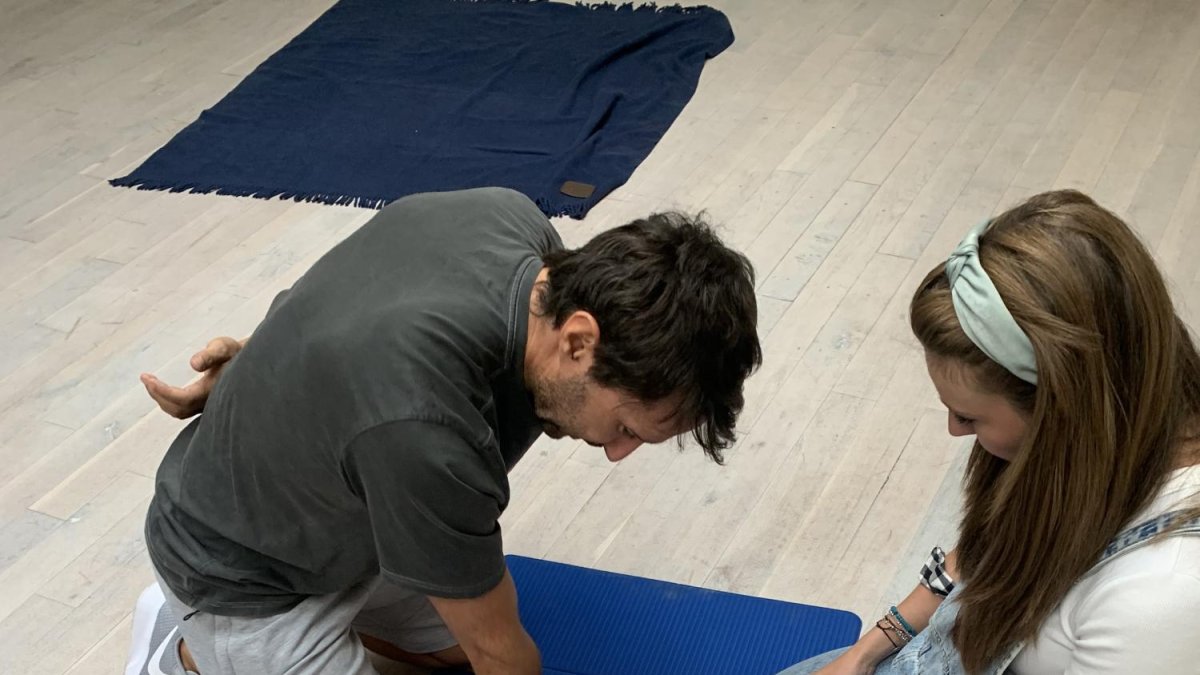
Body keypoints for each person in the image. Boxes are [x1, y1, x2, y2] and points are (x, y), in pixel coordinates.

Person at [126, 187, 762, 675]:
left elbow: (338, 292)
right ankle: (190, 653)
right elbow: (502, 656)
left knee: (451, 655)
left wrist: (261, 368)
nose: (617, 453)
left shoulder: (513, 225)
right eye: (625, 427)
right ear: (578, 340)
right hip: (242, 577)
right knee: (493, 646)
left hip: (360, 522)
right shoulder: (426, 427)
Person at [781, 189, 1200, 675]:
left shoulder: (1165, 594)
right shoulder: (1095, 447)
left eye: (970, 417)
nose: (954, 430)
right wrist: (864, 652)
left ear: (1062, 411)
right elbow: (979, 555)